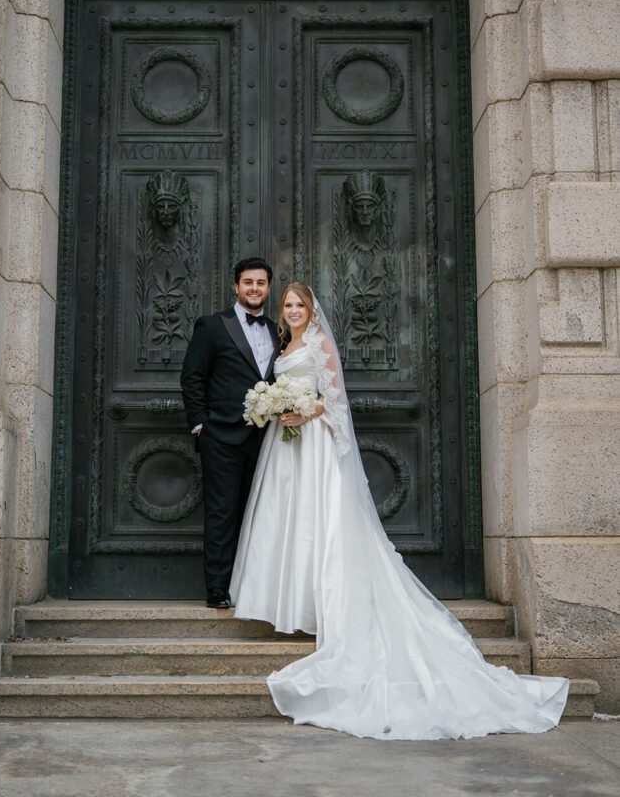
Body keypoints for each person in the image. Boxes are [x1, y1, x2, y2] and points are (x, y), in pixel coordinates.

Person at [230, 283, 569, 740]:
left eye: (300, 305)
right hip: (287, 448)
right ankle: (293, 606)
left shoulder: (319, 342)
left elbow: (334, 400)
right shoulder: (285, 342)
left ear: (312, 309)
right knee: (289, 524)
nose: (292, 311)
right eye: (288, 305)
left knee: (320, 526)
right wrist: (275, 408)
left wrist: (302, 412)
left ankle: (326, 609)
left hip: (313, 445)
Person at [181, 258, 279, 608]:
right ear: (235, 287)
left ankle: (253, 589)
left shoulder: (276, 330)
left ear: (269, 288)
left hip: (267, 440)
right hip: (220, 436)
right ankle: (218, 590)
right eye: (248, 282)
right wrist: (201, 425)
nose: (255, 288)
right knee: (222, 513)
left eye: (261, 283)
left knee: (260, 514)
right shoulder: (211, 326)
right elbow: (192, 377)